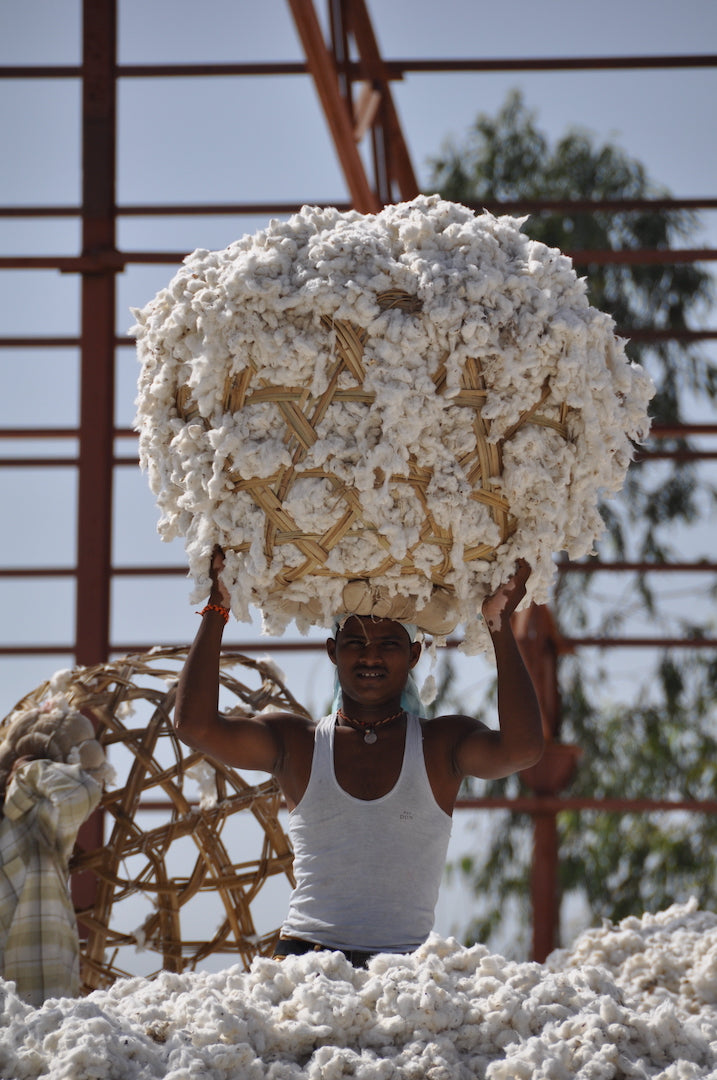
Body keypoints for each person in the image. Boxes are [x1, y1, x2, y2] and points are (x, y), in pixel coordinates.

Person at [174, 551, 543, 965]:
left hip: (406, 976)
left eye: (388, 644)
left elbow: (523, 750)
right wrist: (216, 608)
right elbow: (195, 726)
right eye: (355, 643)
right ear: (333, 651)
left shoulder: (442, 744)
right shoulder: (297, 743)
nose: (370, 657)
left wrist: (498, 625)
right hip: (305, 961)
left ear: (414, 655)